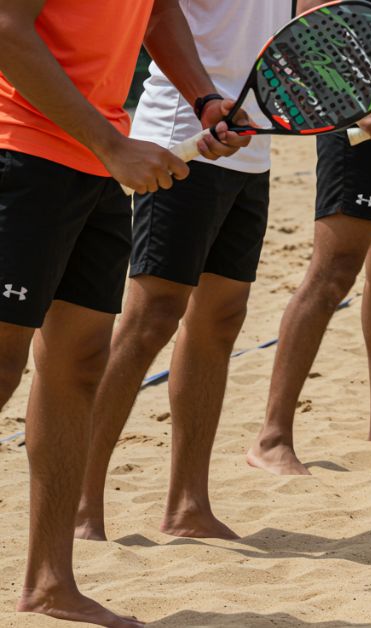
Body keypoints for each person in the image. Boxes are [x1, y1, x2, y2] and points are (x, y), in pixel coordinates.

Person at [0, 0, 247, 624]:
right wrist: (112, 144)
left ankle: (50, 582)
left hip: (95, 150)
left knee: (80, 365)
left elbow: (158, 11)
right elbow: (5, 27)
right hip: (22, 144)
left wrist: (205, 99)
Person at [72, 0, 291, 542]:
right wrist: (207, 101)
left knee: (221, 319)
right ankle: (78, 504)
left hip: (250, 143)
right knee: (151, 318)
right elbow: (153, 15)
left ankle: (188, 505)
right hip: (184, 133)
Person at [247, 0, 371, 476]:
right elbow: (312, 21)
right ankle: (272, 438)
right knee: (331, 275)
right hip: (358, 123)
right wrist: (365, 103)